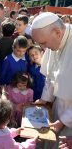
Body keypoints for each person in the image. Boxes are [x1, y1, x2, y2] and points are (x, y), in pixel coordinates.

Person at [31, 12, 72, 148]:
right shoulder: (53, 41)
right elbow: (50, 76)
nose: (43, 48)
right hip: (56, 107)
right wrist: (44, 100)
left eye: (43, 43)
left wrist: (63, 121)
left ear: (57, 32)